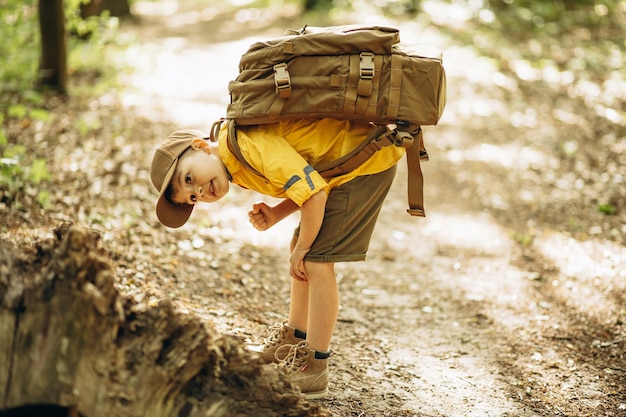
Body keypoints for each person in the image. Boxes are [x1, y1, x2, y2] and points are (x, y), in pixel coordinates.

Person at [149, 118, 404, 400]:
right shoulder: (235, 164)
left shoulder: (245, 146)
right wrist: (277, 214)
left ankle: (314, 366)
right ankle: (294, 339)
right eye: (192, 198)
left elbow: (315, 194)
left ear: (200, 147)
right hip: (345, 165)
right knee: (301, 245)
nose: (197, 192)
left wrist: (304, 248)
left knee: (316, 260)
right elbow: (310, 178)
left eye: (188, 179)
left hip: (365, 163)